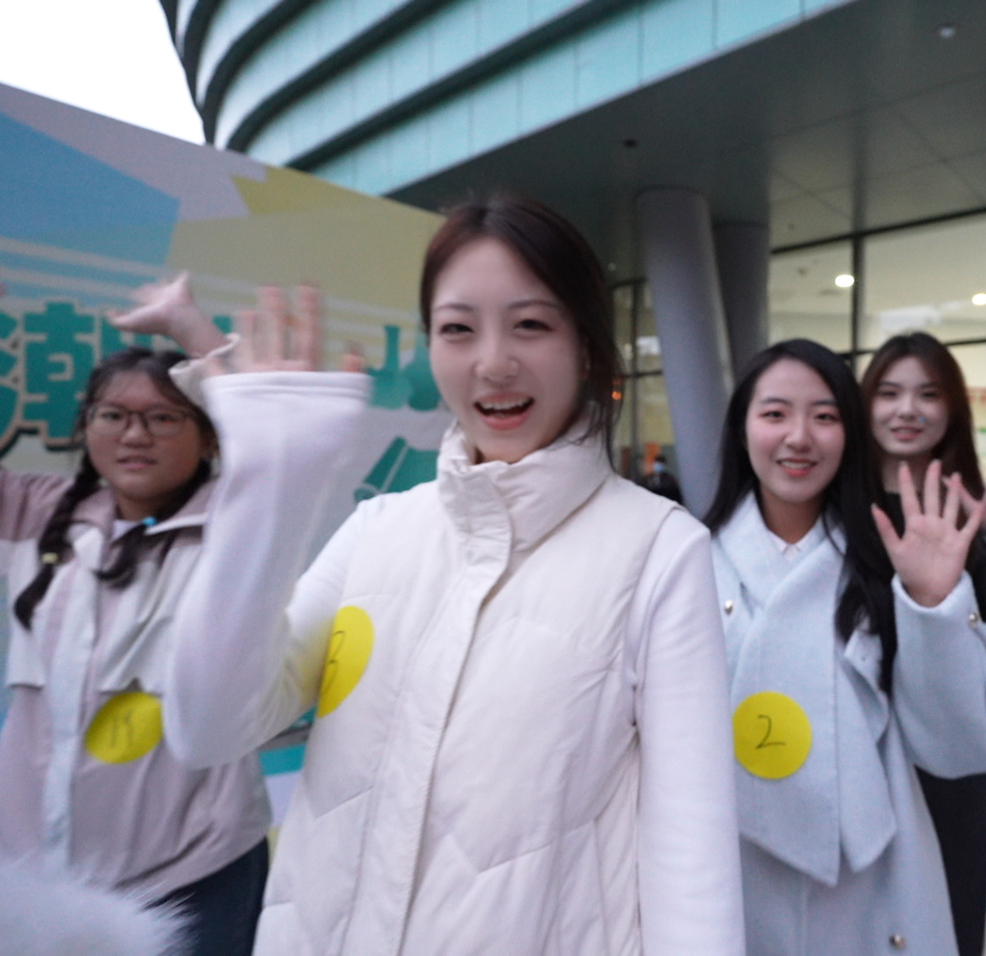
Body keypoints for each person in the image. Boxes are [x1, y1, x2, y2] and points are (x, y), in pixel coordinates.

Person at [161, 195, 745, 954]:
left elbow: (691, 856)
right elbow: (209, 728)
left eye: (531, 325)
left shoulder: (660, 551)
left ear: (586, 345)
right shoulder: (377, 530)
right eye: (458, 329)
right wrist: (269, 486)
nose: (493, 362)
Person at [0, 258, 269, 956]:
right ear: (87, 427)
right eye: (113, 415)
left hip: (193, 874)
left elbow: (277, 441)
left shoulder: (237, 525)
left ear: (208, 436)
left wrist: (189, 325)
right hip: (40, 875)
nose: (135, 435)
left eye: (163, 417)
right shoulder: (38, 513)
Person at [704, 338, 986, 956]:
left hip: (866, 886)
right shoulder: (685, 562)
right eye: (775, 413)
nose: (799, 437)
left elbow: (953, 738)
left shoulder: (888, 566)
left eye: (825, 416)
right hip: (726, 868)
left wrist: (934, 606)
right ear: (741, 428)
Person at [861, 332, 986, 956]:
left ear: (952, 409)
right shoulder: (835, 507)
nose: (907, 409)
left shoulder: (978, 507)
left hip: (948, 764)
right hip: (855, 750)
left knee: (947, 918)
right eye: (889, 393)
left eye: (928, 394)